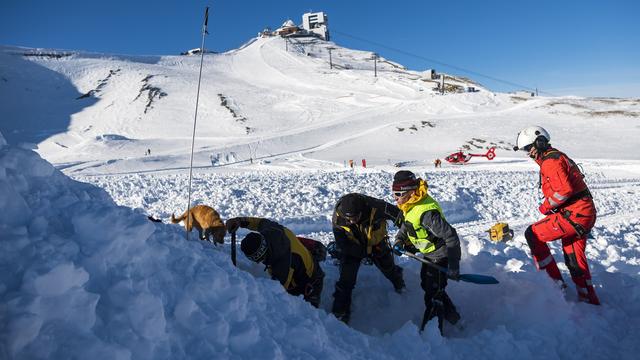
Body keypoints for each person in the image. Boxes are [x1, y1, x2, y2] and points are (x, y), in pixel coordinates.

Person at [514, 126, 600, 305]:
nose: (528, 153)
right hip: (584, 213)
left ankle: (553, 285)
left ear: (540, 142)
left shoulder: (550, 161)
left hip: (575, 214)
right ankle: (588, 299)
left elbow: (564, 190)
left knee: (533, 234)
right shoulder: (556, 156)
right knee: (574, 259)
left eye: (528, 148)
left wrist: (546, 207)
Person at [390, 170, 461, 333]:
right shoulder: (409, 205)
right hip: (429, 255)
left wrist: (454, 265)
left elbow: (451, 236)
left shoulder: (427, 213)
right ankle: (454, 318)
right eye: (393, 193)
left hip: (441, 256)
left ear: (410, 192)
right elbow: (405, 225)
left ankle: (431, 335)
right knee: (430, 287)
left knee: (433, 295)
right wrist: (399, 240)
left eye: (398, 193)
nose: (395, 197)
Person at [330, 193, 406, 323]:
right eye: (349, 219)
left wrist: (403, 239)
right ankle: (340, 312)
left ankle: (400, 285)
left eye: (354, 218)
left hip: (376, 243)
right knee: (346, 279)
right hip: (353, 247)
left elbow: (401, 217)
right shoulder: (338, 216)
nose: (351, 221)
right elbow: (343, 244)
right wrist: (362, 252)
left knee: (389, 269)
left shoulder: (377, 207)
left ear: (361, 212)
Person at [226, 216, 324, 307]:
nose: (257, 262)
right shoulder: (271, 230)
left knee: (304, 315)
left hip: (311, 279)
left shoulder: (282, 266)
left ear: (261, 255)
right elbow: (259, 223)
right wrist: (239, 221)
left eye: (258, 259)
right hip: (301, 256)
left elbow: (275, 294)